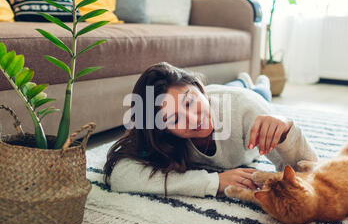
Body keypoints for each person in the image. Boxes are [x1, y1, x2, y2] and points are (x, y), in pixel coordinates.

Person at [103, 62, 318, 197]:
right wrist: (213, 182)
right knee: (233, 90)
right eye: (174, 118)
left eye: (189, 103)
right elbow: (121, 176)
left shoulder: (246, 109)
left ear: (198, 88)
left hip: (248, 98)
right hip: (217, 96)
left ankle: (257, 84)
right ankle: (240, 82)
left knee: (260, 93)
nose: (193, 119)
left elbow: (306, 170)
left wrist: (286, 130)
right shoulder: (164, 139)